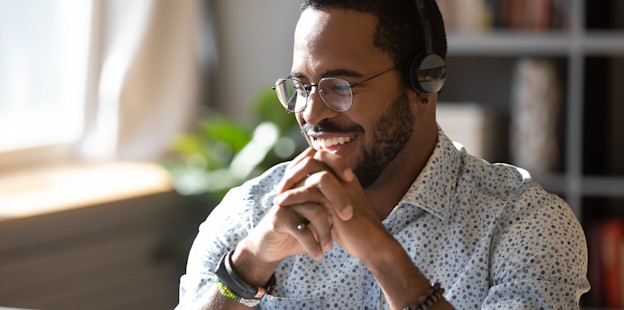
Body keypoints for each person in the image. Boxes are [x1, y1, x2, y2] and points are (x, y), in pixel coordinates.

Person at [176, 0, 590, 309]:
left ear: (424, 82)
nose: (311, 113)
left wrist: (381, 253)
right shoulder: (250, 214)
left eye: (340, 86)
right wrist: (249, 266)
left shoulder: (526, 226)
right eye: (302, 87)